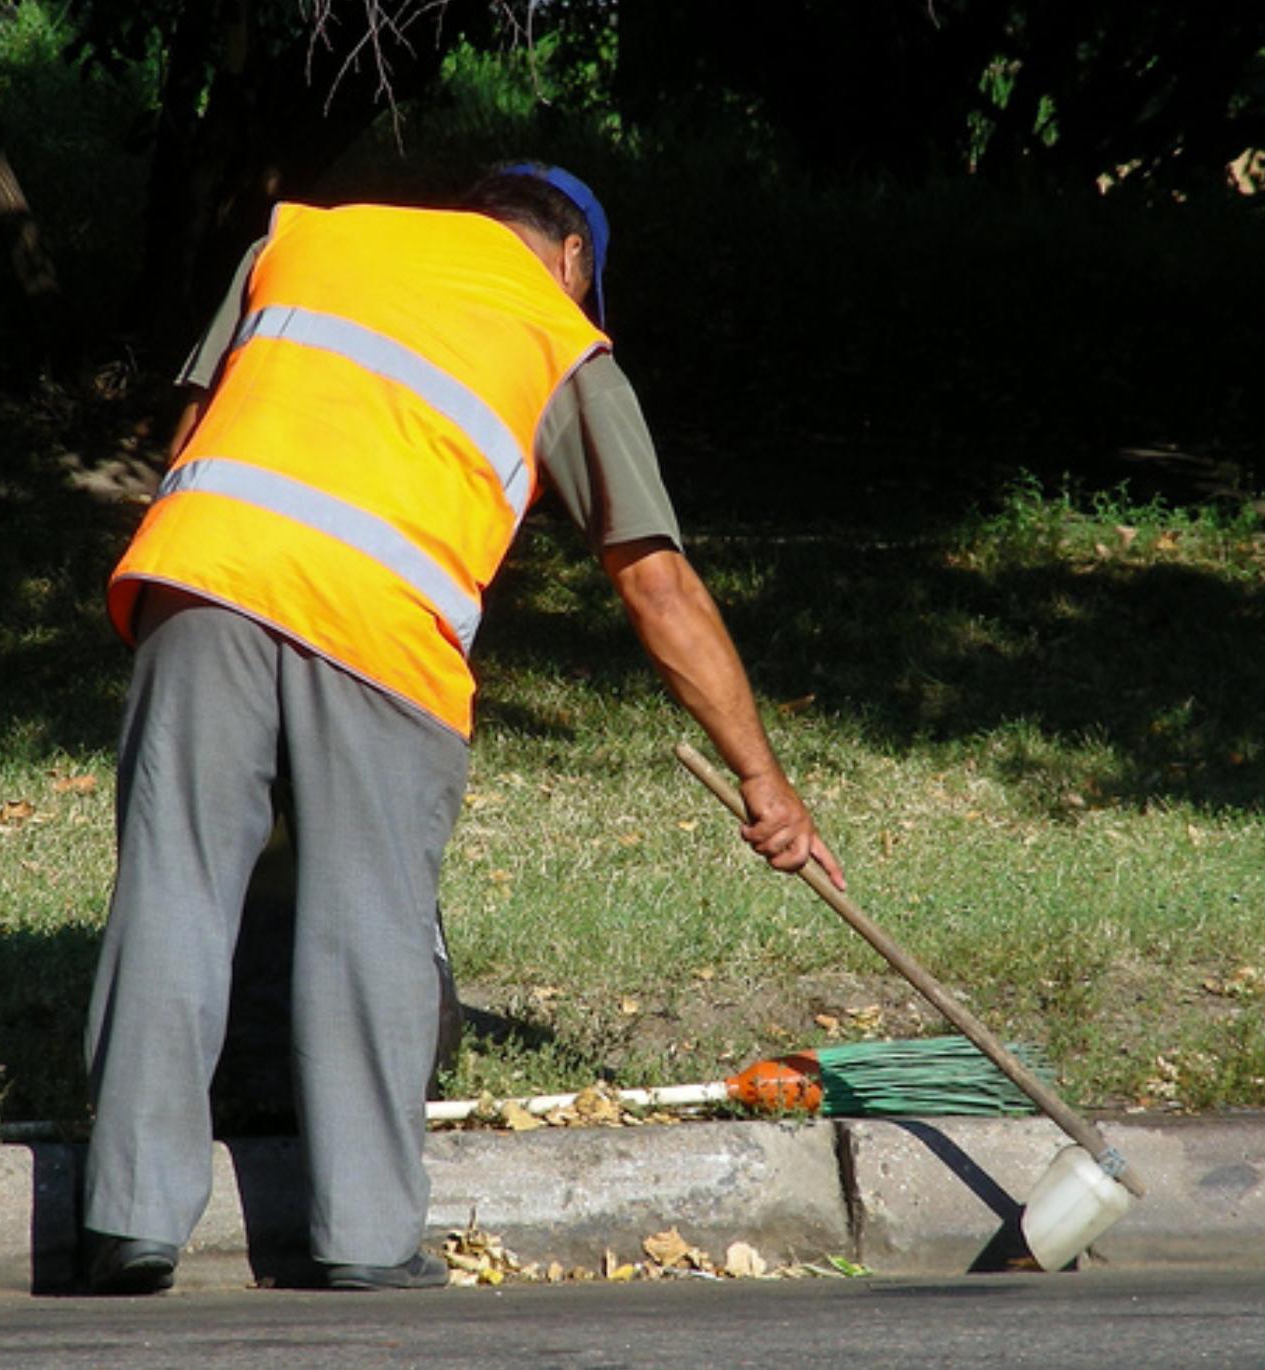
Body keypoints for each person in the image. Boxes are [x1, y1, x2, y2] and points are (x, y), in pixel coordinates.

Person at [82, 163, 845, 1295]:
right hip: (380, 627)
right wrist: (767, 784)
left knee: (174, 890)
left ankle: (128, 1220)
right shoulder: (556, 334)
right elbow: (658, 586)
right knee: (370, 918)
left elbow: (195, 430)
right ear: (576, 259)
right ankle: (364, 1236)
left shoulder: (301, 242)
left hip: (200, 578)